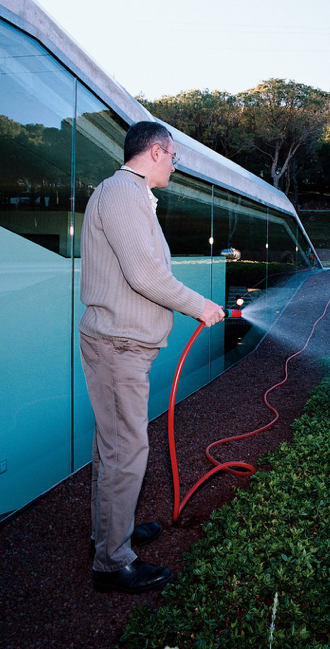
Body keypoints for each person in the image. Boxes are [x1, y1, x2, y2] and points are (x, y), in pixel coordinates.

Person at [79, 120, 225, 594]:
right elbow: (145, 274)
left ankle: (110, 533)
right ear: (158, 152)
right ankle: (111, 563)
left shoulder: (133, 194)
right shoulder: (122, 193)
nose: (175, 166)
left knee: (114, 445)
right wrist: (200, 305)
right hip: (118, 344)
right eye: (175, 157)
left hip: (123, 343)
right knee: (125, 449)